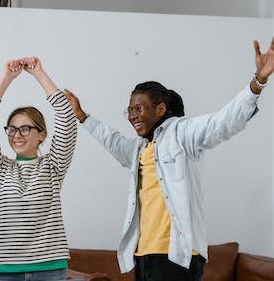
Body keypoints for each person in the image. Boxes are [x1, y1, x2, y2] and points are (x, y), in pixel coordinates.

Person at [64, 38, 274, 281]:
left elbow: (223, 122)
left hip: (175, 256)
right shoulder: (139, 149)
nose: (132, 116)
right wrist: (81, 116)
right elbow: (112, 140)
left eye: (139, 109)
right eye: (130, 110)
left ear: (160, 109)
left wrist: (258, 82)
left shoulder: (182, 133)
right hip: (143, 255)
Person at [0, 57, 77, 281]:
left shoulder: (52, 167)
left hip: (49, 269)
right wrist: (6, 79)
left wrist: (40, 74)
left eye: (25, 128)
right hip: (5, 271)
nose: (16, 135)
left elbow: (67, 118)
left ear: (42, 134)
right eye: (11, 129)